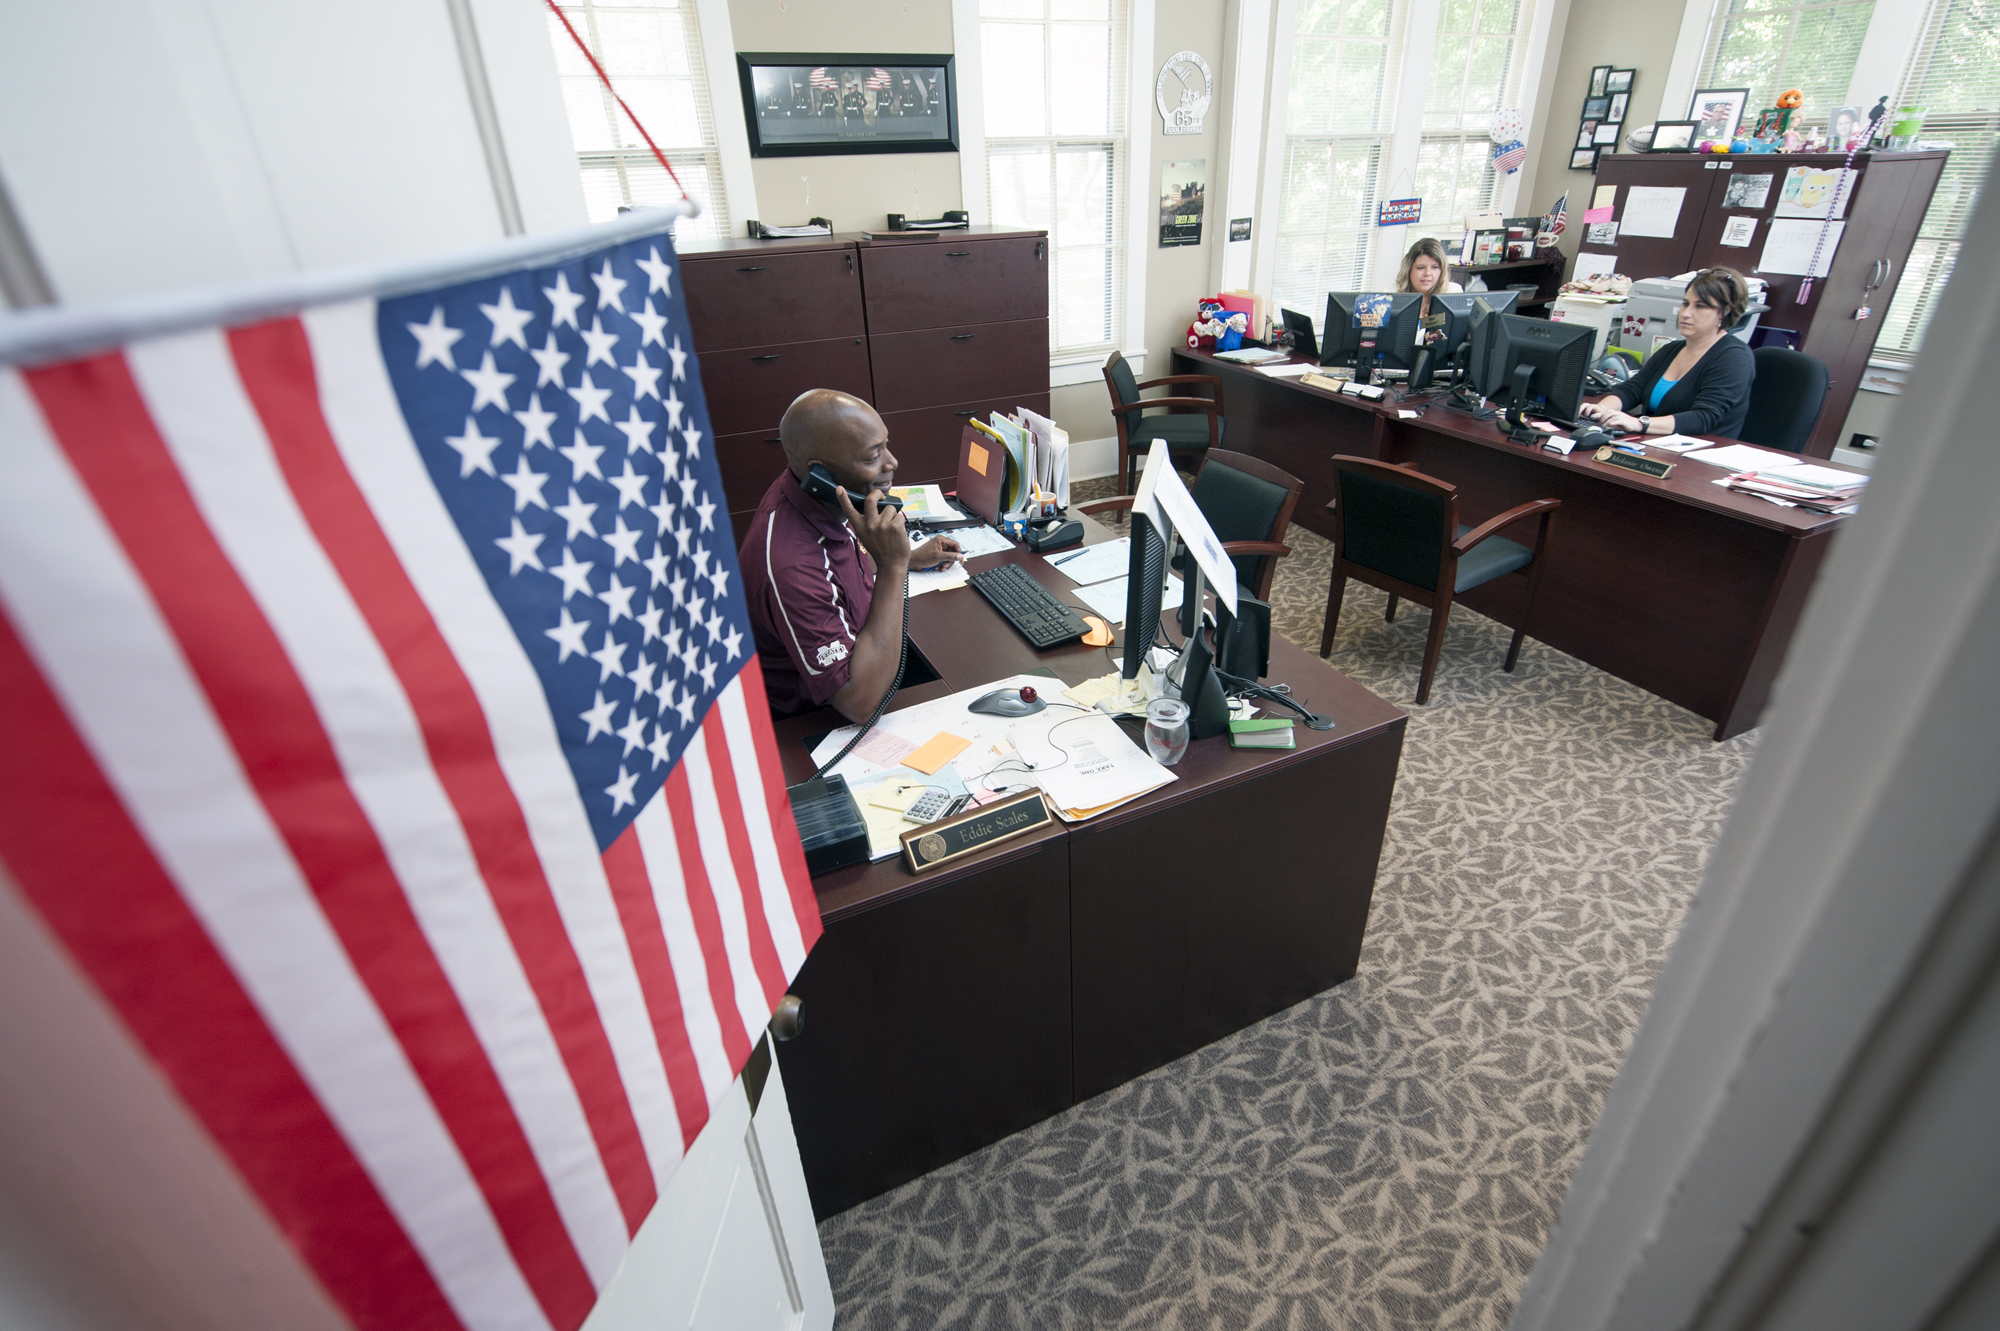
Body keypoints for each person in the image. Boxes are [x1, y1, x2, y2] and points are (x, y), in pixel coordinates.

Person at [739, 389, 964, 721]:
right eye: (873, 457)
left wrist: (911, 556)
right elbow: (858, 702)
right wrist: (893, 565)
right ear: (822, 476)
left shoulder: (816, 496)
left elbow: (835, 565)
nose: (892, 462)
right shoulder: (792, 567)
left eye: (885, 444)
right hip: (813, 718)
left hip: (864, 650)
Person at [1580, 267, 1756, 439]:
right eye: (1685, 304)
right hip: (1655, 444)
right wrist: (1601, 411)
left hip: (1700, 453)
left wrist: (1641, 423)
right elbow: (1632, 390)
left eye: (1700, 306)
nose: (1686, 313)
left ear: (1725, 312)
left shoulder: (1734, 358)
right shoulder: (1672, 350)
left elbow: (1703, 418)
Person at [1396, 237, 1462, 347]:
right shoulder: (1392, 294)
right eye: (1420, 268)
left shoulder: (1453, 294)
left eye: (1434, 267)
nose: (1428, 273)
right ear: (1409, 269)